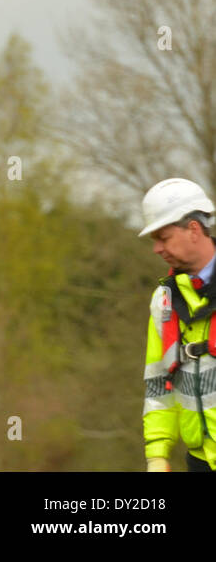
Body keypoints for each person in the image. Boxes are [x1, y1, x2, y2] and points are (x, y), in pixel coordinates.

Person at [138, 177, 216, 472]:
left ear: (193, 229)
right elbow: (158, 383)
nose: (157, 248)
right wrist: (157, 455)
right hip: (198, 462)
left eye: (163, 237)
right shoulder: (164, 301)